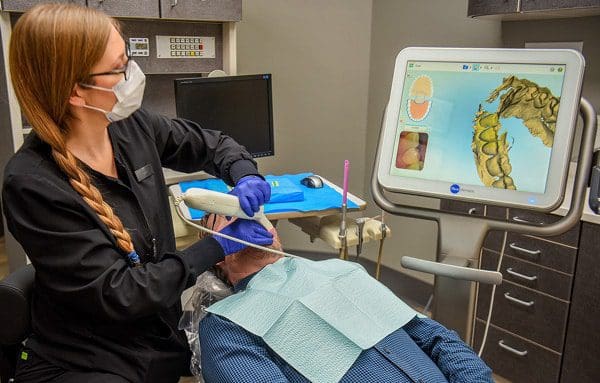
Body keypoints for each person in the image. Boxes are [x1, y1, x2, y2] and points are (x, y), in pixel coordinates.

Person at [1, 3, 274, 383]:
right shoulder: (32, 183)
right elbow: (121, 293)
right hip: (88, 361)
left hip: (153, 338)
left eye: (128, 60)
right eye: (119, 69)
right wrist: (217, 247)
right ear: (75, 91)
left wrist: (244, 173)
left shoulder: (130, 126)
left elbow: (210, 145)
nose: (133, 76)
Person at [197, 215, 493, 383]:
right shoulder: (226, 327)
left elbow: (438, 339)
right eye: (228, 218)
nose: (248, 219)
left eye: (254, 212)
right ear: (216, 255)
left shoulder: (343, 271)